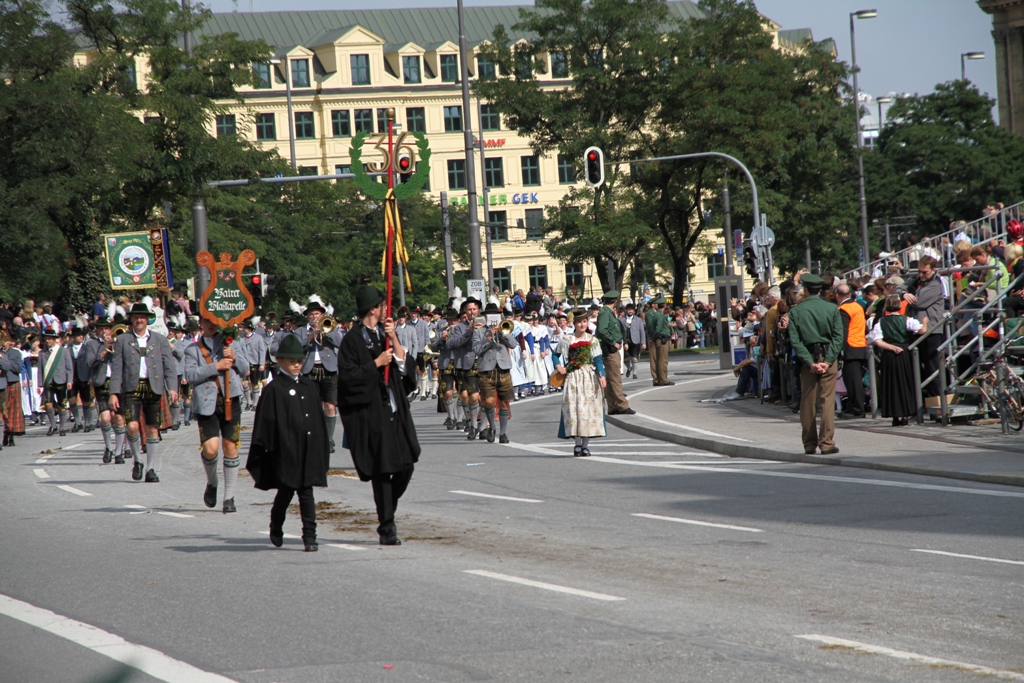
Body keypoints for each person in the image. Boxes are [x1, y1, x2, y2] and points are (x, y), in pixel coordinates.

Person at [337, 286, 421, 546]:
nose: (386, 309)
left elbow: (404, 367)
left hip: (395, 410)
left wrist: (393, 337)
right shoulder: (352, 340)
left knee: (406, 465)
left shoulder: (385, 333)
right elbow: (348, 378)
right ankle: (387, 528)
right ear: (372, 309)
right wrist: (375, 364)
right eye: (382, 305)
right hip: (373, 414)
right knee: (383, 471)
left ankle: (387, 507)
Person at [246, 334, 329, 552]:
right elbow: (265, 423)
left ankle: (310, 536)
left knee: (306, 492)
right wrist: (268, 449)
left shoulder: (308, 386)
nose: (297, 365)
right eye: (292, 361)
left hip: (307, 450)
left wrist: (320, 444)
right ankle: (276, 524)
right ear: (280, 361)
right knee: (286, 491)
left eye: (299, 361)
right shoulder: (274, 389)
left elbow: (317, 419)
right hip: (286, 451)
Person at [183, 317, 249, 513]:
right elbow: (191, 375)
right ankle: (212, 482)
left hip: (231, 400)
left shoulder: (231, 342)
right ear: (201, 324)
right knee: (210, 449)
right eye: (207, 321)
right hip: (206, 403)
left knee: (230, 447)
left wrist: (234, 357)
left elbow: (245, 369)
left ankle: (229, 497)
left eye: (214, 321)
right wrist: (216, 366)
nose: (211, 325)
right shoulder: (192, 349)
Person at [108, 302, 178, 482]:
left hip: (153, 387)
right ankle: (138, 460)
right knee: (132, 426)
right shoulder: (122, 340)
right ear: (131, 319)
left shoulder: (159, 339)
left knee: (152, 428)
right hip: (131, 387)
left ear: (147, 319)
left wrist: (172, 388)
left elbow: (170, 366)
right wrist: (113, 393)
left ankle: (151, 469)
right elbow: (117, 369)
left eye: (142, 317)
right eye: (136, 317)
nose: (139, 320)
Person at [270, 300, 343, 453]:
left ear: (322, 315)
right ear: (307, 316)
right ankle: (315, 437)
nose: (314, 316)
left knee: (330, 405)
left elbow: (340, 343)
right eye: (311, 314)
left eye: (317, 314)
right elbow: (296, 348)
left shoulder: (331, 327)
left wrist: (325, 332)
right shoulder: (301, 332)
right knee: (312, 406)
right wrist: (310, 337)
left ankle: (329, 440)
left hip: (329, 369)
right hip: (309, 370)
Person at [787, 274, 844, 455]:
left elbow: (796, 341)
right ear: (820, 290)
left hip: (808, 360)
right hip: (828, 357)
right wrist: (828, 361)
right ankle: (826, 443)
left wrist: (810, 362)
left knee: (808, 402)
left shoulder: (796, 311)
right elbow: (838, 337)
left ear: (805, 289)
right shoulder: (832, 308)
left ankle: (809, 444)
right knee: (827, 401)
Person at [552, 308, 607, 456]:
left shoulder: (592, 340)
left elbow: (598, 360)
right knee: (575, 409)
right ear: (574, 324)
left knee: (588, 410)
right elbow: (555, 355)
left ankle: (585, 445)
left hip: (589, 378)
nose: (582, 325)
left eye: (584, 321)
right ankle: (577, 445)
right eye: (579, 322)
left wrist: (602, 375)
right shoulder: (567, 339)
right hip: (573, 378)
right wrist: (559, 367)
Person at [869, 295, 928, 426]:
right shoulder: (906, 320)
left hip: (889, 354)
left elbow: (877, 341)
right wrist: (925, 322)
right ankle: (905, 414)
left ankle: (894, 416)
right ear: (899, 306)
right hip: (904, 352)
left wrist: (891, 347)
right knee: (905, 382)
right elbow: (922, 330)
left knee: (891, 384)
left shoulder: (880, 322)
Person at [903, 256, 946, 398]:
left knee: (931, 367)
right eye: (919, 272)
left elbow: (918, 302)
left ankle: (938, 401)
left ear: (933, 270)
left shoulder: (935, 284)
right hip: (915, 329)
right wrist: (904, 293)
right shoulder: (916, 280)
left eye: (924, 272)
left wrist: (908, 293)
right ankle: (922, 400)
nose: (921, 275)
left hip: (931, 331)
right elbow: (898, 289)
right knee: (916, 367)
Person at [474, 304, 516, 444]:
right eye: (489, 314)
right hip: (487, 370)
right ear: (485, 316)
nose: (492, 316)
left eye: (495, 314)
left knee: (504, 402)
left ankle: (503, 433)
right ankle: (492, 426)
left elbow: (513, 344)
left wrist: (503, 333)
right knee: (488, 401)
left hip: (503, 369)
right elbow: (477, 350)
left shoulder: (504, 328)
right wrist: (488, 338)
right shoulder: (479, 332)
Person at [90, 318, 124, 463]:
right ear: (97, 331)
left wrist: (116, 346)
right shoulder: (92, 344)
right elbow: (90, 363)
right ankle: (109, 448)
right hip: (102, 383)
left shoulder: (120, 342)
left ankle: (119, 452)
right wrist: (104, 349)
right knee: (105, 418)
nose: (104, 331)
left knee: (119, 418)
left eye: (107, 329)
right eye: (101, 329)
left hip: (118, 383)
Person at [448, 298, 483, 438]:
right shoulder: (459, 327)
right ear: (465, 311)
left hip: (485, 363)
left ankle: (484, 426)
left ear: (478, 310)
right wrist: (469, 332)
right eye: (469, 309)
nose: (472, 312)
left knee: (485, 397)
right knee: (469, 396)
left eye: (474, 309)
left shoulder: (486, 324)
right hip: (468, 364)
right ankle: (472, 422)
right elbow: (452, 344)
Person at [595, 290, 634, 415]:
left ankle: (612, 406)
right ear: (615, 301)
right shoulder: (605, 313)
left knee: (611, 379)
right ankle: (622, 405)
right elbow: (602, 330)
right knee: (615, 379)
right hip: (610, 349)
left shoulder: (608, 312)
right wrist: (613, 342)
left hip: (611, 348)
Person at [836, 284, 868, 419]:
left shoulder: (843, 309)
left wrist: (840, 351)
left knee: (852, 381)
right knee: (856, 380)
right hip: (860, 345)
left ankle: (857, 409)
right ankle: (854, 406)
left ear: (837, 296)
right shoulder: (858, 306)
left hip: (850, 347)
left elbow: (842, 332)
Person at [37, 330, 74, 436]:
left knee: (62, 404)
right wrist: (40, 384)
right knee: (48, 404)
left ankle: (62, 428)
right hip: (48, 381)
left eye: (49, 339)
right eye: (46, 339)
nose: (47, 341)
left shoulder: (63, 351)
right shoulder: (42, 353)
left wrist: (69, 381)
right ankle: (53, 425)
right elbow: (40, 369)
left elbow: (69, 368)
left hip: (61, 380)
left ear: (54, 339)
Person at [236, 319, 266, 411]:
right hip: (244, 363)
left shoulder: (258, 338)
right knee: (245, 383)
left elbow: (262, 351)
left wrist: (261, 363)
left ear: (249, 328)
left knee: (254, 383)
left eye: (245, 328)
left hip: (255, 363)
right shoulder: (241, 338)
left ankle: (255, 403)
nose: (243, 329)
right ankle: (248, 402)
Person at [1, 334, 24, 447]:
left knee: (13, 411)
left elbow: (18, 369)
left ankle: (11, 435)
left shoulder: (15, 353)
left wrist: (6, 361)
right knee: (3, 410)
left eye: (4, 341)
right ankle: (4, 433)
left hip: (12, 383)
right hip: (2, 384)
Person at [644, 298, 673, 386]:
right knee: (659, 360)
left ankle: (660, 378)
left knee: (659, 359)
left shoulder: (657, 313)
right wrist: (652, 338)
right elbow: (653, 328)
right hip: (657, 338)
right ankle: (660, 379)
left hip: (656, 337)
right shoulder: (654, 314)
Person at [619, 302, 646, 380]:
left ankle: (634, 373)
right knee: (625, 358)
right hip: (625, 341)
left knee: (634, 357)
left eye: (631, 310)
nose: (630, 311)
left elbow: (642, 331)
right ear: (626, 310)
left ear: (634, 311)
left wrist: (643, 342)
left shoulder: (638, 320)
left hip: (635, 340)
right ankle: (629, 367)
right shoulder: (621, 320)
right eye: (628, 310)